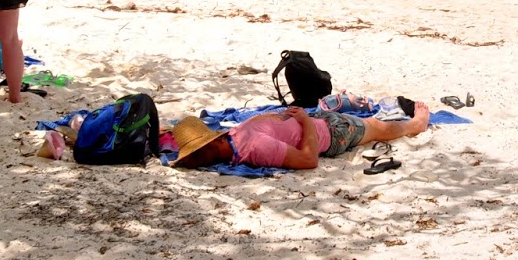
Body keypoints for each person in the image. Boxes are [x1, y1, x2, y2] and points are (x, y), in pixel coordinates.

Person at [172, 100, 431, 170]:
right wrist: (306, 121)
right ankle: (415, 125)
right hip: (332, 133)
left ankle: (405, 122)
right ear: (213, 144)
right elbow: (309, 161)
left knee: (369, 121)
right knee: (377, 128)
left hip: (319, 123)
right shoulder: (253, 148)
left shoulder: (231, 139)